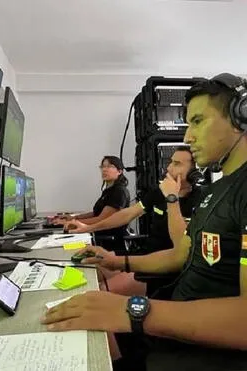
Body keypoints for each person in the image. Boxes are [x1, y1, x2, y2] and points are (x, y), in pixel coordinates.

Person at [40, 74, 247, 371]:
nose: (188, 136)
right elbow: (181, 254)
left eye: (198, 121)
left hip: (202, 350)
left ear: (242, 115)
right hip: (174, 323)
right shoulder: (218, 191)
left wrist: (135, 311)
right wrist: (116, 260)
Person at [66, 147, 204, 295]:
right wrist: (87, 228)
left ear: (194, 173)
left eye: (177, 164)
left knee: (95, 291)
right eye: (170, 162)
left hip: (162, 268)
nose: (169, 168)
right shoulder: (159, 192)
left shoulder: (201, 199)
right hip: (144, 254)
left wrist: (172, 197)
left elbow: (181, 247)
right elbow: (128, 214)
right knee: (88, 271)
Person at [52, 156, 131, 252]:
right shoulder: (109, 190)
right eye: (102, 167)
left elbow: (102, 219)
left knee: (67, 249)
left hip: (110, 241)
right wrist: (74, 218)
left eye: (109, 166)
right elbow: (95, 213)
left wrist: (75, 223)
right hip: (98, 235)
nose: (104, 169)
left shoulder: (119, 191)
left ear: (119, 171)